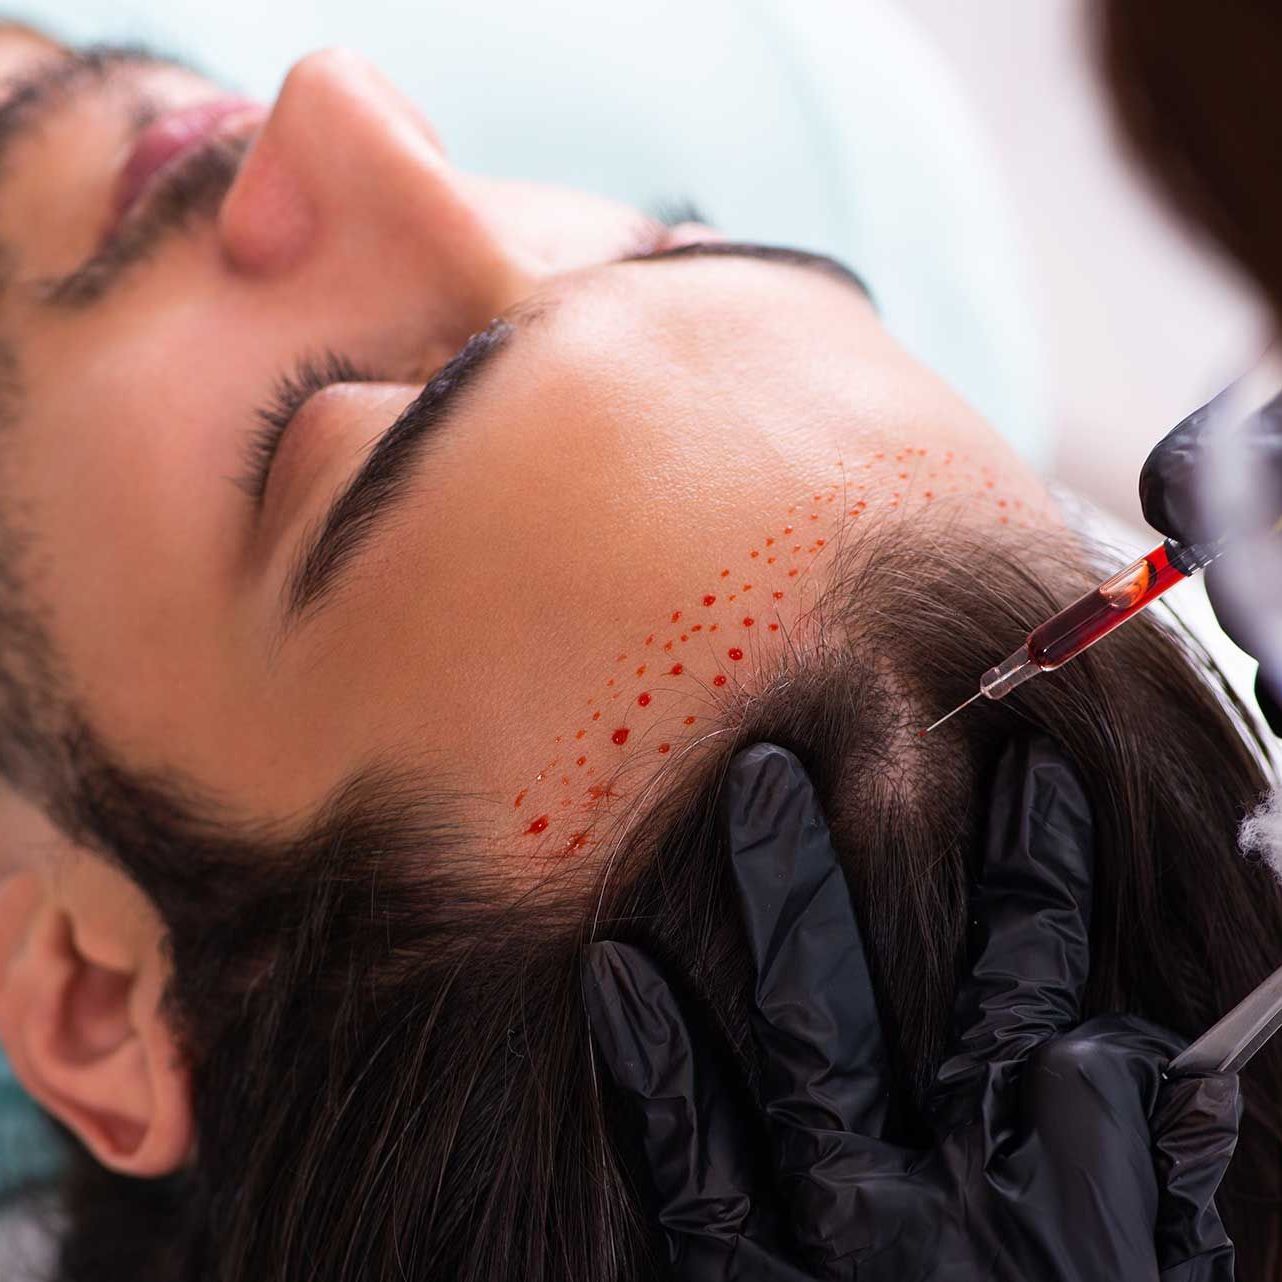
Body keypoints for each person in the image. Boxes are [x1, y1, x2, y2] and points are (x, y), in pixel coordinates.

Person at [0, 22, 1278, 1282]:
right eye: (669, 237)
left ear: (98, 1001)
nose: (339, 101)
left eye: (318, 430)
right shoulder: (807, 110)